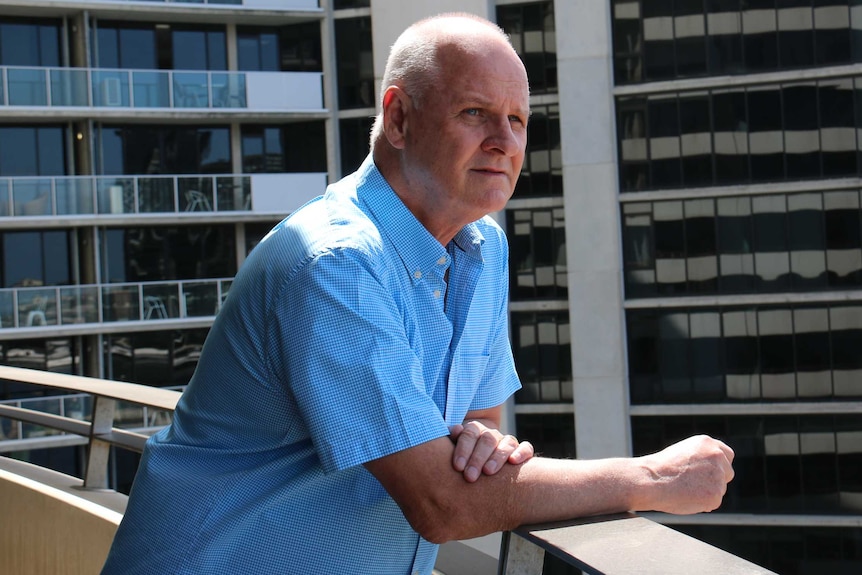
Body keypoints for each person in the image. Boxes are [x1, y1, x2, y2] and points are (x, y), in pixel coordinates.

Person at [101, 13, 734, 575]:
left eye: (517, 120)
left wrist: (480, 442)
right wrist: (654, 476)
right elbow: (443, 503)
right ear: (399, 118)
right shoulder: (336, 263)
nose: (504, 142)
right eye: (474, 113)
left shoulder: (482, 248)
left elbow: (483, 436)